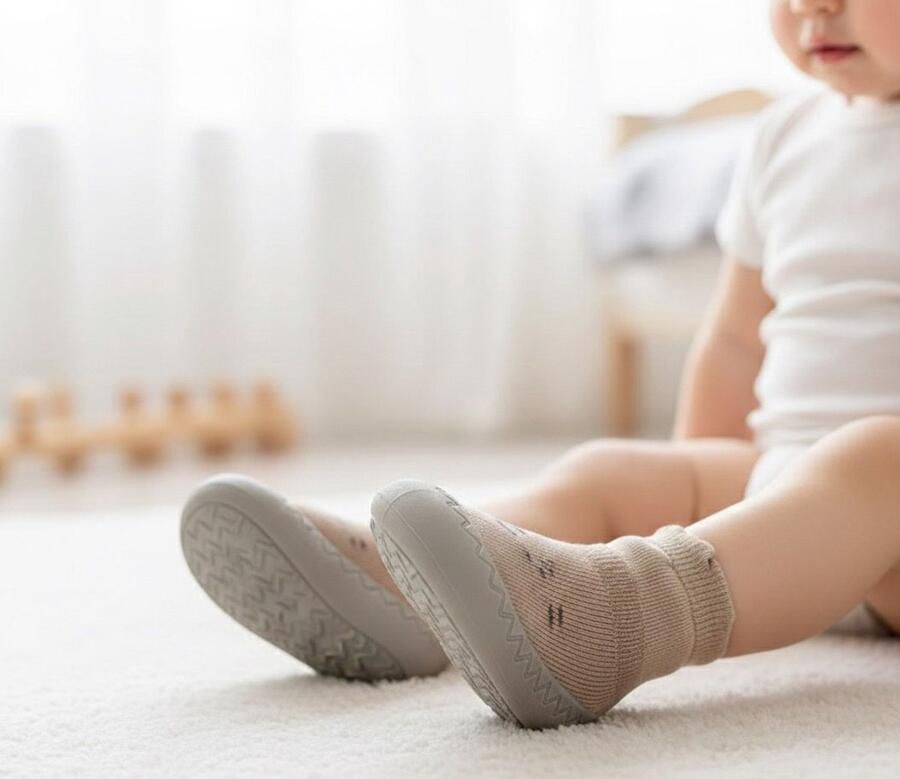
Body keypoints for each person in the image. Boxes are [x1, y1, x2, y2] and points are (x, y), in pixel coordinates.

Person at [180, 0, 900, 729]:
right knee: (609, 473)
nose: (814, 6)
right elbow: (737, 337)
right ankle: (403, 590)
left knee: (880, 452)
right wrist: (696, 486)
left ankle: (614, 619)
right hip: (788, 477)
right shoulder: (786, 137)